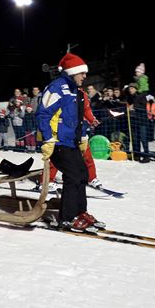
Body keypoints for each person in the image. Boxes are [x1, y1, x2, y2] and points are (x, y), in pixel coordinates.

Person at [36, 52, 96, 231]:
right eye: (81, 73)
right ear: (71, 72)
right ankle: (67, 218)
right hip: (57, 142)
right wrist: (47, 139)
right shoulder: (56, 88)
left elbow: (78, 119)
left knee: (83, 175)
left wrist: (83, 136)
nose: (85, 76)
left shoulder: (76, 91)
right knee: (73, 176)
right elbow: (43, 114)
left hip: (72, 142)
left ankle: (80, 212)